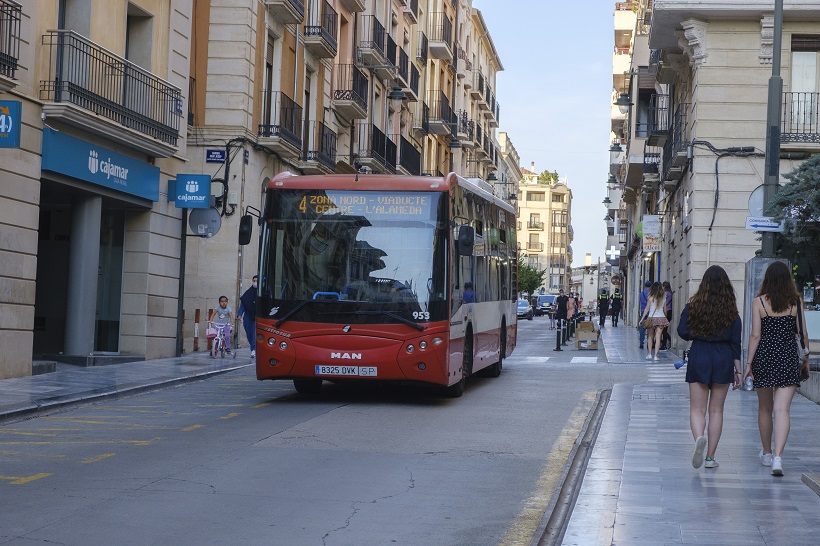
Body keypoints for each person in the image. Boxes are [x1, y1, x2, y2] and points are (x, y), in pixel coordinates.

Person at [743, 261, 811, 476]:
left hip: (764, 358)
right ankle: (779, 458)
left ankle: (766, 452)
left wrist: (748, 364)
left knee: (765, 408)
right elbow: (803, 333)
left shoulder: (759, 303)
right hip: (788, 357)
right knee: (782, 410)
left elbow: (755, 335)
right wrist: (806, 359)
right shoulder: (795, 302)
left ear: (767, 279)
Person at [678, 265, 742, 470]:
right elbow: (735, 342)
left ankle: (699, 438)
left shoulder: (693, 306)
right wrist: (738, 371)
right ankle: (710, 458)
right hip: (723, 357)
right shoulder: (731, 311)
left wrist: (696, 333)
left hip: (700, 354)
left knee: (697, 409)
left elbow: (682, 331)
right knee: (716, 410)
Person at [639, 282, 670, 361]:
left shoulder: (650, 296)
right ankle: (656, 355)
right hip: (661, 318)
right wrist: (665, 317)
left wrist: (642, 319)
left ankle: (649, 354)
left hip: (651, 318)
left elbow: (647, 308)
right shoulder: (663, 297)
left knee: (650, 336)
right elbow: (665, 310)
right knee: (658, 337)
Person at [238, 274, 258, 358]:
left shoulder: (264, 293)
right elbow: (243, 305)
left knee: (254, 333)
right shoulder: (248, 293)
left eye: (257, 281)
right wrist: (239, 314)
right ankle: (253, 348)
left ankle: (254, 349)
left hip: (258, 317)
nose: (255, 283)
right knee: (249, 333)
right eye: (254, 281)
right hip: (248, 316)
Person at [637, 281, 651, 347]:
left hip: (643, 311)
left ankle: (641, 342)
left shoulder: (641, 293)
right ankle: (649, 342)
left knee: (642, 327)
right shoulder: (651, 294)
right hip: (650, 311)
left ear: (645, 286)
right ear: (650, 286)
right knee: (650, 327)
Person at [660, 281, 673, 350]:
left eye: (662, 286)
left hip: (666, 312)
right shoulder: (670, 293)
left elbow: (663, 302)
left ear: (664, 286)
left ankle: (670, 339)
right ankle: (664, 345)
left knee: (662, 329)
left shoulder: (666, 293)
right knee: (665, 328)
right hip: (669, 312)